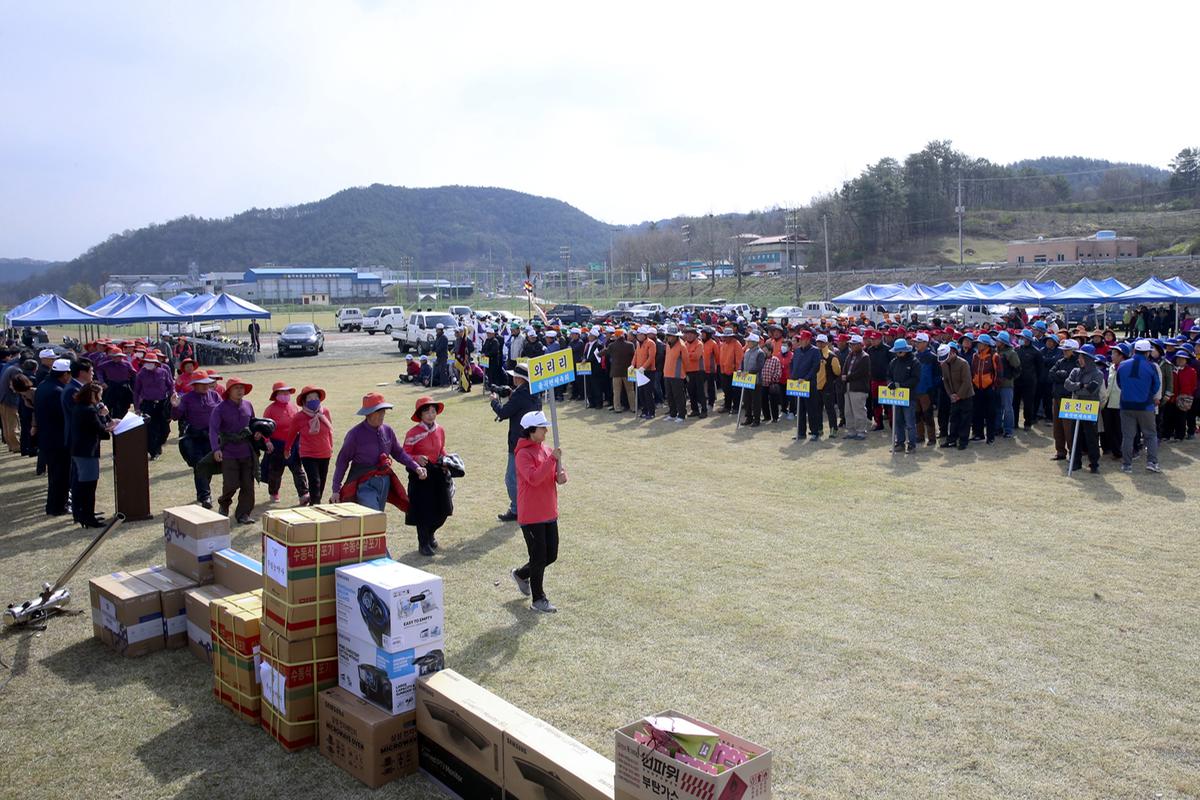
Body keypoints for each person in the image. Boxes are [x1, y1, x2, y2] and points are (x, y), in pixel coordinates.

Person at [509, 410, 567, 614]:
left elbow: (551, 475)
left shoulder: (546, 449)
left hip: (549, 510)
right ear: (531, 431)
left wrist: (560, 475)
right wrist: (552, 460)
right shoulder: (522, 454)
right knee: (539, 556)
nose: (546, 431)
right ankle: (538, 598)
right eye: (543, 428)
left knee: (551, 554)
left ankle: (521, 574)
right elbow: (533, 478)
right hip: (532, 514)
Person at [330, 393, 426, 512]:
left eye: (383, 411)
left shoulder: (387, 430)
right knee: (373, 517)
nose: (382, 415)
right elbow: (342, 462)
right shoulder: (354, 435)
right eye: (378, 411)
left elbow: (399, 453)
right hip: (364, 483)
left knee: (376, 520)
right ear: (368, 413)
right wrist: (336, 489)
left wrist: (416, 467)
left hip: (384, 481)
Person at [210, 377, 267, 524]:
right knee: (231, 483)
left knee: (248, 485)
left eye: (242, 387)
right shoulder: (220, 409)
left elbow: (254, 424)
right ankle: (224, 503)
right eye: (236, 388)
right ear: (229, 391)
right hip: (228, 451)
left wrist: (258, 434)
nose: (240, 390)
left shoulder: (248, 405)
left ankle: (243, 514)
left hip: (247, 451)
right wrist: (216, 449)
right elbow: (213, 430)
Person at [403, 396, 453, 556]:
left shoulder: (440, 430)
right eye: (427, 412)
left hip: (437, 472)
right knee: (423, 510)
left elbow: (441, 449)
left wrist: (447, 459)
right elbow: (404, 454)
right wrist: (416, 458)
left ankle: (431, 533)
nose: (431, 415)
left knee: (444, 509)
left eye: (433, 411)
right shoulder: (412, 433)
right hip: (420, 474)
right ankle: (423, 542)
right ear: (420, 415)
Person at [491, 363, 540, 522]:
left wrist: (494, 401)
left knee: (511, 478)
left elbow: (504, 412)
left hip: (518, 442)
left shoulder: (520, 395)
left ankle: (517, 509)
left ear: (519, 378)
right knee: (528, 476)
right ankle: (528, 506)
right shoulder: (534, 393)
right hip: (533, 440)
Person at [70, 382, 116, 527]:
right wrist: (107, 420)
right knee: (88, 485)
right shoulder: (89, 410)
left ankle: (84, 513)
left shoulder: (80, 407)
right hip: (86, 452)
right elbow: (100, 430)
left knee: (83, 484)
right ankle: (87, 516)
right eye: (99, 395)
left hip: (80, 450)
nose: (100, 398)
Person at [172, 369, 220, 507]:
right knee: (200, 465)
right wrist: (175, 407)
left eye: (207, 383)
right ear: (194, 385)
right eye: (201, 383)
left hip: (212, 437)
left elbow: (222, 412)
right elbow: (176, 416)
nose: (205, 386)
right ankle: (205, 496)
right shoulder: (186, 398)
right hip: (194, 438)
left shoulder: (215, 396)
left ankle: (204, 491)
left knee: (209, 465)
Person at [1116, 340, 1161, 474]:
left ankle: (1127, 465)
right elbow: (1156, 386)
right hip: (1145, 406)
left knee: (1128, 436)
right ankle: (1152, 462)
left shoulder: (1122, 364)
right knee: (1150, 435)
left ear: (1134, 350)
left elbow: (1119, 383)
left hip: (1126, 405)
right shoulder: (1151, 366)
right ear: (1147, 353)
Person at [35, 358, 72, 516]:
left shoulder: (44, 386)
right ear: (64, 374)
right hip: (57, 439)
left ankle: (54, 505)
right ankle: (58, 506)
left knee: (55, 474)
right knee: (60, 475)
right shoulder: (57, 391)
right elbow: (62, 416)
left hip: (47, 437)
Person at [262, 381, 309, 504]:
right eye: (282, 392)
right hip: (277, 444)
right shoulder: (270, 410)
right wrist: (267, 441)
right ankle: (274, 493)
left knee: (298, 470)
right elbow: (264, 429)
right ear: (276, 394)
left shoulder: (294, 406)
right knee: (276, 472)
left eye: (287, 392)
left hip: (294, 443)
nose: (285, 394)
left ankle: (304, 494)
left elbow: (300, 423)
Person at [1063, 344, 1104, 474]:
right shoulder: (1075, 371)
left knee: (1091, 436)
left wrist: (1078, 388)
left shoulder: (1098, 374)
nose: (1079, 359)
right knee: (1075, 434)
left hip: (1090, 407)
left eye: (1082, 357)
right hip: (1076, 406)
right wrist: (1081, 385)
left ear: (1089, 359)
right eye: (1079, 356)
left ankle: (1094, 463)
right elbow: (1067, 385)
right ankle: (1075, 462)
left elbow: (1091, 391)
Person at [296, 385, 333, 504]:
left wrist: (330, 447)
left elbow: (329, 431)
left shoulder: (325, 412)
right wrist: (287, 449)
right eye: (310, 398)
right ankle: (315, 506)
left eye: (316, 397)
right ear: (304, 401)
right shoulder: (299, 417)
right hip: (308, 454)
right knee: (314, 481)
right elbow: (291, 434)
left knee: (321, 482)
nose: (313, 400)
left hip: (325, 453)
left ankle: (315, 501)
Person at [133, 352, 173, 459]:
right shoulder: (141, 374)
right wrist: (137, 407)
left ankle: (158, 444)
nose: (149, 364)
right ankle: (153, 451)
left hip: (162, 404)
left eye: (151, 362)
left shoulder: (163, 372)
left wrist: (171, 399)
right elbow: (136, 391)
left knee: (165, 429)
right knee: (150, 430)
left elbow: (170, 386)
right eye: (147, 362)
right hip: (147, 404)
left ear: (156, 363)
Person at [886, 338, 920, 453]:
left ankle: (912, 445)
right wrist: (890, 383)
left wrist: (901, 385)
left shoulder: (914, 362)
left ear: (906, 350)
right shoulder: (893, 362)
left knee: (910, 422)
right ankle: (899, 443)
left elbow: (915, 379)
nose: (898, 354)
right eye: (896, 352)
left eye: (900, 351)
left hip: (909, 397)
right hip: (896, 397)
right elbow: (888, 376)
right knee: (898, 421)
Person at [939, 343, 974, 449]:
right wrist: (950, 394)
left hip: (966, 396)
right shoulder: (944, 364)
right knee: (953, 419)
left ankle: (963, 441)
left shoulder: (963, 363)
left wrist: (958, 395)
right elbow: (945, 380)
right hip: (953, 396)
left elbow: (967, 381)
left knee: (965, 419)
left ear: (952, 353)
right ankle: (951, 440)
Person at [1048, 339, 1079, 460]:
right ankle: (1060, 451)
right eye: (1064, 350)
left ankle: (1073, 452)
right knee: (1057, 427)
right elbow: (1051, 374)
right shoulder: (1060, 361)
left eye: (1067, 350)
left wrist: (1062, 375)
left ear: (1073, 350)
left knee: (1069, 428)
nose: (1064, 352)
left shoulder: (1077, 363)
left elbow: (1073, 378)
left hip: (1069, 398)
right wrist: (1064, 375)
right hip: (1057, 397)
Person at [841, 334, 870, 440]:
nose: (852, 346)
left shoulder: (865, 357)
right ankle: (851, 431)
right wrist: (844, 376)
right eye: (851, 344)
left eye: (854, 344)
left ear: (859, 345)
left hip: (859, 387)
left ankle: (861, 431)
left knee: (859, 410)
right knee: (848, 411)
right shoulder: (850, 355)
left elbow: (860, 373)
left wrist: (846, 377)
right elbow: (844, 367)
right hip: (848, 386)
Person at [740, 333, 766, 427]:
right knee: (747, 400)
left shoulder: (760, 352)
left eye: (749, 341)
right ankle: (748, 417)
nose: (747, 342)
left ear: (754, 342)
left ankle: (756, 419)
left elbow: (760, 366)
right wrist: (741, 370)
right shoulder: (747, 351)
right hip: (746, 380)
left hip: (756, 381)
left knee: (756, 401)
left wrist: (749, 372)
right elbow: (742, 363)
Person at [606, 329, 635, 413]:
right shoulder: (630, 345)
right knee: (630, 390)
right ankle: (633, 407)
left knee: (617, 391)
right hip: (627, 371)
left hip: (615, 371)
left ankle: (617, 408)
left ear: (617, 336)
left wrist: (599, 353)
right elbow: (634, 355)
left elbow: (605, 352)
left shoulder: (612, 345)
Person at [632, 325, 657, 419]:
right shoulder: (638, 344)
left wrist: (643, 367)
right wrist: (632, 364)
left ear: (644, 335)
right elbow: (636, 355)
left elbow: (651, 357)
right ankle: (644, 410)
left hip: (649, 371)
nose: (637, 336)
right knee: (641, 392)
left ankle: (651, 412)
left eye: (639, 334)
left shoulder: (651, 343)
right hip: (639, 371)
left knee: (648, 392)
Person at [433, 323, 450, 387]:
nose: (436, 331)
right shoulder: (437, 337)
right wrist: (432, 350)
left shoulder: (444, 338)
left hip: (443, 356)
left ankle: (445, 383)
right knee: (440, 370)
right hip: (438, 356)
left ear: (440, 330)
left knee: (443, 370)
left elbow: (441, 347)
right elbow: (435, 345)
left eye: (437, 330)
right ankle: (442, 383)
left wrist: (435, 351)